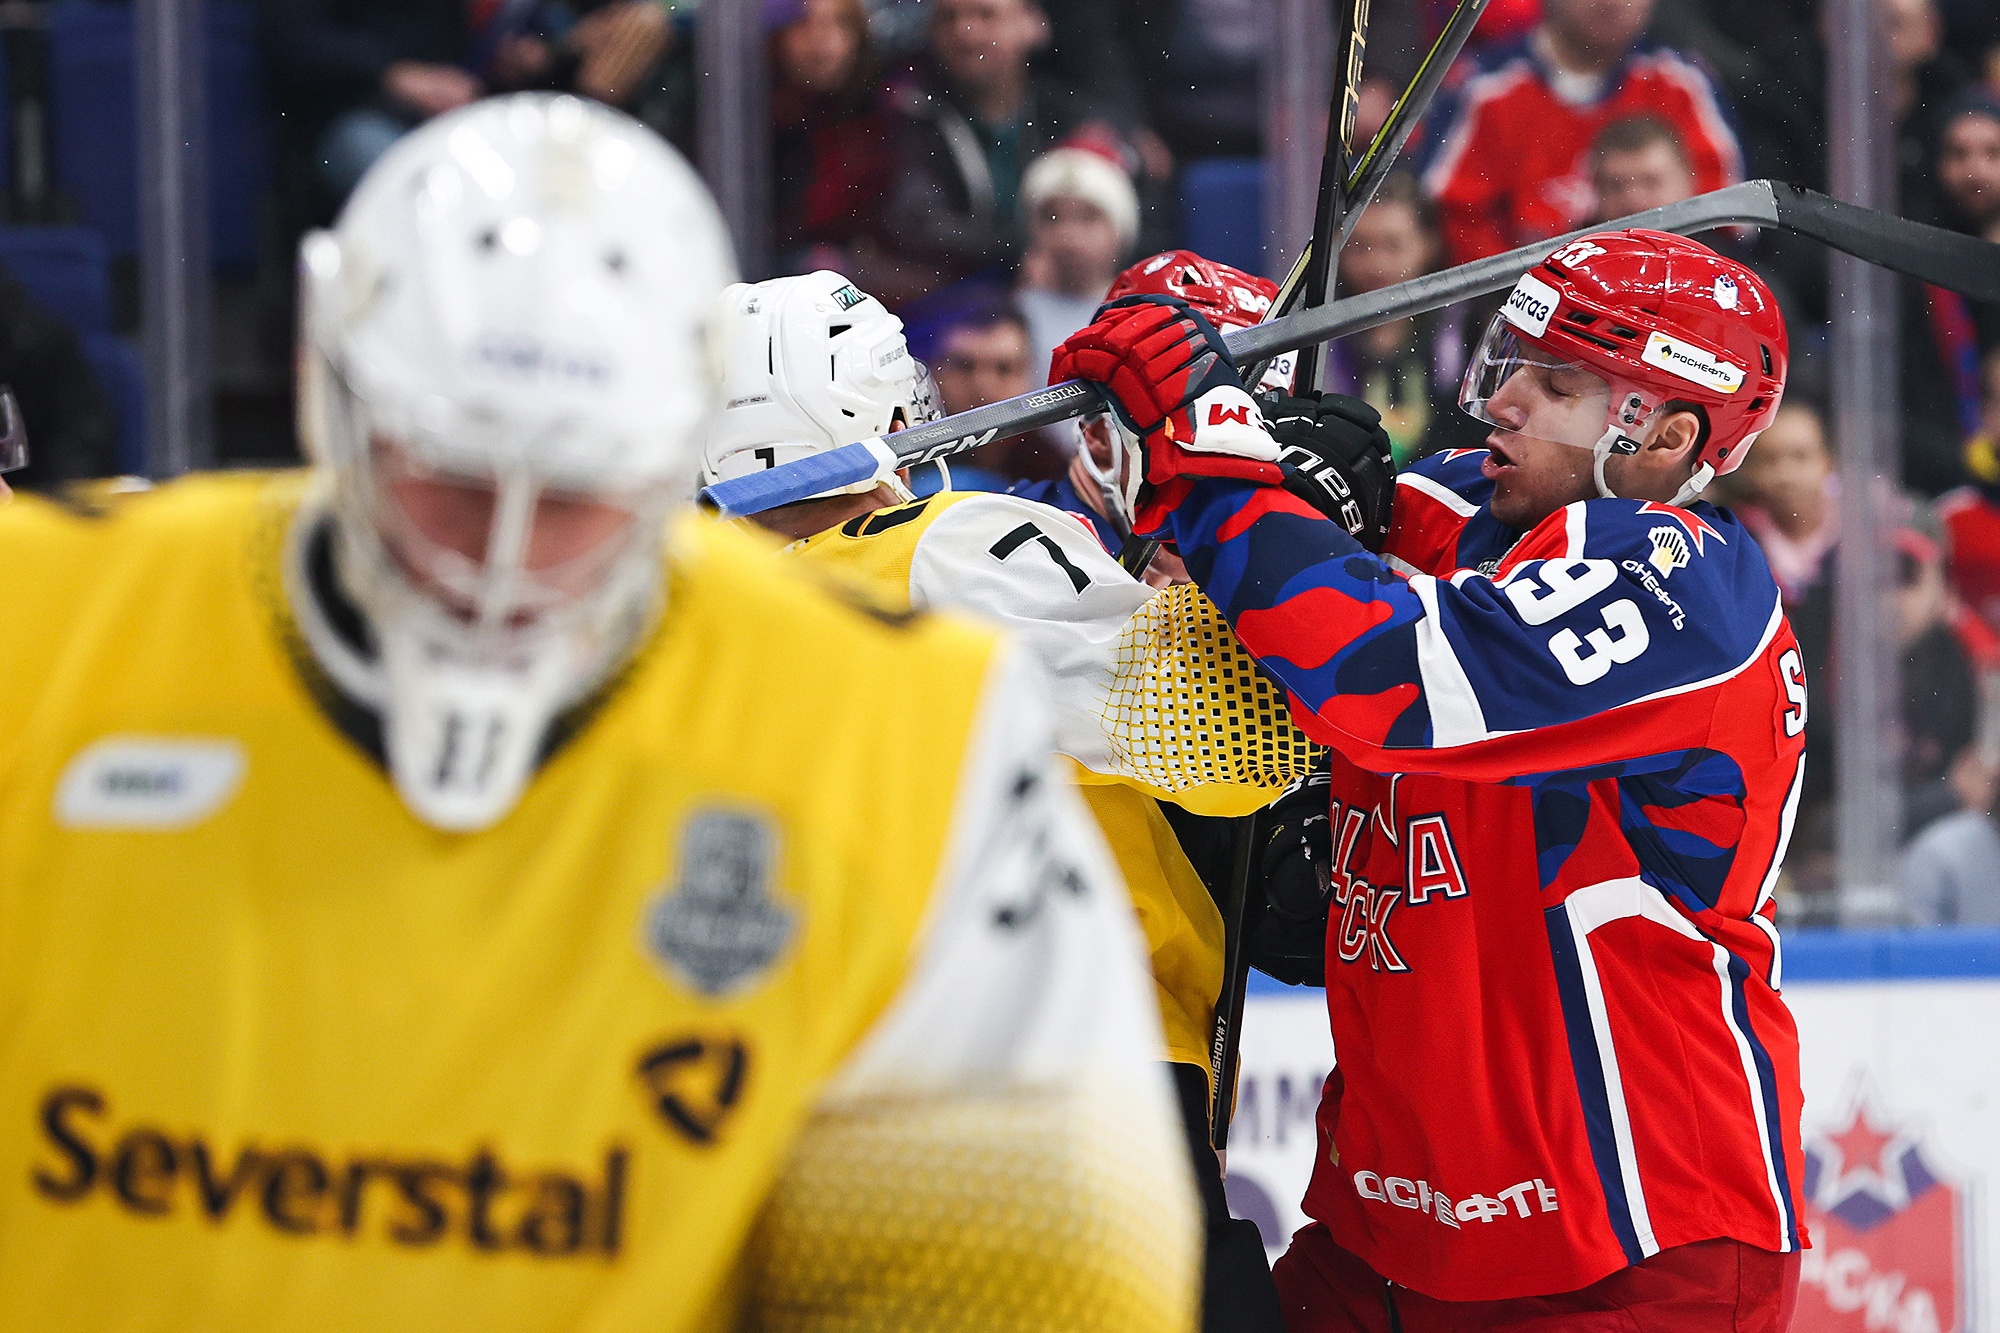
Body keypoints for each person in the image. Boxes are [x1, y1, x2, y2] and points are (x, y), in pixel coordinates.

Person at [0, 95, 1201, 1331]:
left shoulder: (909, 720)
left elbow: (1026, 1282)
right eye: (456, 467)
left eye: (578, 480)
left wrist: (1239, 511)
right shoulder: (45, 621)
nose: (509, 548)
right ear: (336, 394)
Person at [1054, 227, 1810, 1327]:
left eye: (1553, 386)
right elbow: (1326, 531)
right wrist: (1261, 444)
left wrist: (1215, 456)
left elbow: (1382, 669)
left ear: (1665, 434)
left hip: (1632, 1238)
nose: (1499, 404)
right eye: (1510, 368)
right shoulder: (1474, 508)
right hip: (1392, 1231)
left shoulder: (1679, 590)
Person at [698, 269, 1321, 1333]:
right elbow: (1240, 736)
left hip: (780, 1092)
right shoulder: (950, 548)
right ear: (890, 407)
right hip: (1057, 1067)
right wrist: (1268, 525)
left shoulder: (686, 613)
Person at [1421, 0, 1743, 266]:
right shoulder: (1484, 90)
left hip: (1669, 304)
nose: (1614, 3)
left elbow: (1731, 223)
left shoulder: (1683, 84)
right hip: (1517, 313)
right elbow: (1447, 227)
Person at [877, 0, 1114, 299]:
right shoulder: (911, 113)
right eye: (948, 18)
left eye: (985, 14)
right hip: (958, 299)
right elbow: (919, 226)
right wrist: (1028, 251)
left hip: (1074, 292)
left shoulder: (1073, 115)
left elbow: (1131, 219)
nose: (965, 31)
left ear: (1033, 24)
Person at [1323, 172, 1481, 467]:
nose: (1376, 264)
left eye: (1393, 245)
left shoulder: (1468, 326)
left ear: (1429, 245)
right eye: (1360, 247)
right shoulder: (1319, 330)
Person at [1015, 141, 1141, 388]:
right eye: (1052, 218)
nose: (1069, 237)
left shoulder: (1142, 313)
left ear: (1121, 230)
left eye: (1088, 218)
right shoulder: (1010, 319)